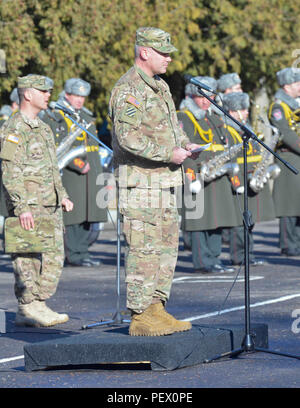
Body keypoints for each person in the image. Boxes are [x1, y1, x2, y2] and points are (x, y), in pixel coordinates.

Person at [109, 27, 201, 336]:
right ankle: (140, 316)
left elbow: (169, 127)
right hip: (141, 185)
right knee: (144, 251)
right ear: (144, 52)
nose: (169, 58)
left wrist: (185, 145)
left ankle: (156, 308)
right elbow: (127, 137)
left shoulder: (159, 86)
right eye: (163, 52)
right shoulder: (129, 88)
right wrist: (167, 154)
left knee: (165, 248)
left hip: (162, 182)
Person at [0, 74, 73, 327]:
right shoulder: (13, 129)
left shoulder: (43, 127)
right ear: (27, 94)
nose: (48, 95)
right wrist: (21, 207)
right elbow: (10, 171)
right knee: (27, 258)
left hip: (49, 204)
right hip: (28, 206)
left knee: (54, 256)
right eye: (43, 91)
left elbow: (52, 168)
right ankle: (28, 306)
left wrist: (62, 195)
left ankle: (38, 303)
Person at [178, 77, 239, 274]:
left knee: (217, 219)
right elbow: (183, 148)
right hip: (198, 173)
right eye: (201, 96)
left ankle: (214, 258)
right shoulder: (185, 117)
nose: (206, 100)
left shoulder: (214, 117)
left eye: (210, 96)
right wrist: (191, 175)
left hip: (218, 173)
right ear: (191, 96)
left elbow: (225, 144)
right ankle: (202, 261)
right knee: (199, 222)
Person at [45, 78, 108, 267]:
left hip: (92, 173)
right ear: (67, 95)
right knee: (74, 216)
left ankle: (83, 251)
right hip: (73, 173)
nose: (80, 100)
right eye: (76, 96)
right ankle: (74, 253)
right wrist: (79, 164)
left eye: (82, 96)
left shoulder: (86, 117)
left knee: (88, 214)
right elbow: (60, 146)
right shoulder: (58, 116)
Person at [222, 92, 275, 265]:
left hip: (251, 178)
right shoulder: (228, 130)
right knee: (239, 223)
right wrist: (237, 181)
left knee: (249, 221)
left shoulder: (245, 128)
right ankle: (239, 257)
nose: (246, 112)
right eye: (242, 109)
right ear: (232, 112)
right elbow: (229, 157)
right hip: (238, 179)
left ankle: (248, 254)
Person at [268, 67, 300, 256]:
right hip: (288, 156)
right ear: (286, 86)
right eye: (297, 83)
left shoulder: (294, 104)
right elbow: (286, 134)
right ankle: (288, 244)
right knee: (289, 203)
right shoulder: (279, 106)